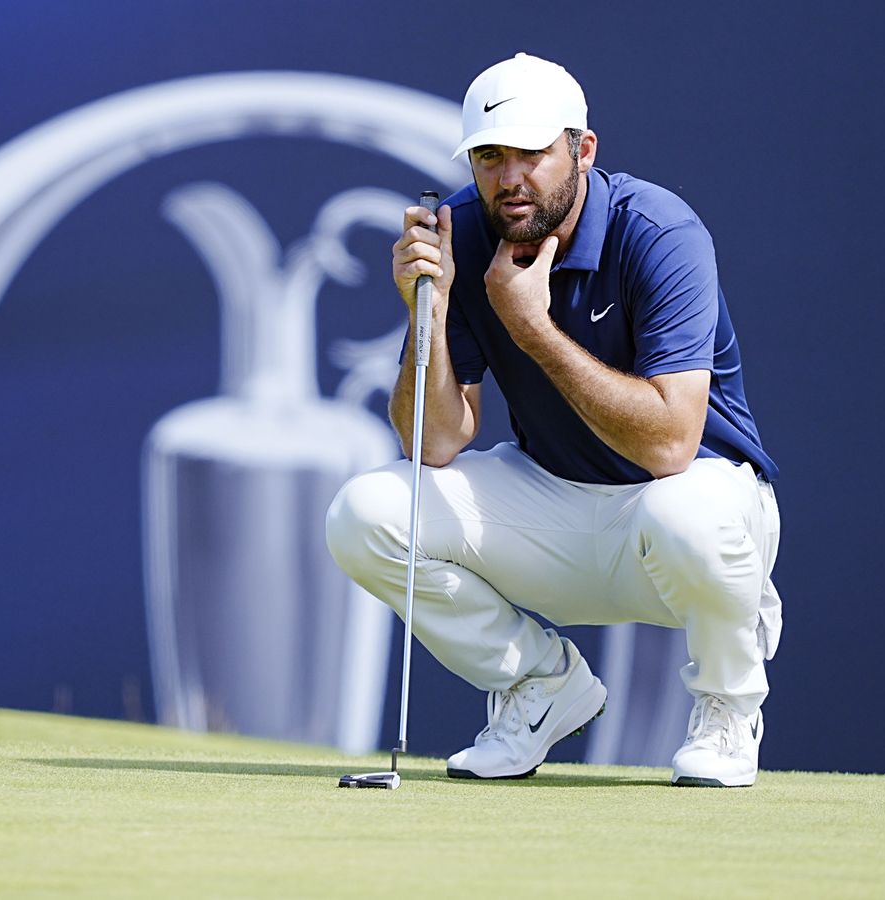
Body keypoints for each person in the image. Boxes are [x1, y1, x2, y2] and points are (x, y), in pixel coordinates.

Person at [326, 52, 782, 787]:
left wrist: (531, 327)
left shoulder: (659, 232)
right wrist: (428, 312)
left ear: (583, 149)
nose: (509, 178)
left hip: (697, 510)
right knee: (365, 512)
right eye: (488, 157)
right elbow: (432, 442)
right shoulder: (464, 234)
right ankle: (540, 687)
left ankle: (729, 709)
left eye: (532, 153)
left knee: (684, 513)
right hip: (558, 510)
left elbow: (671, 444)